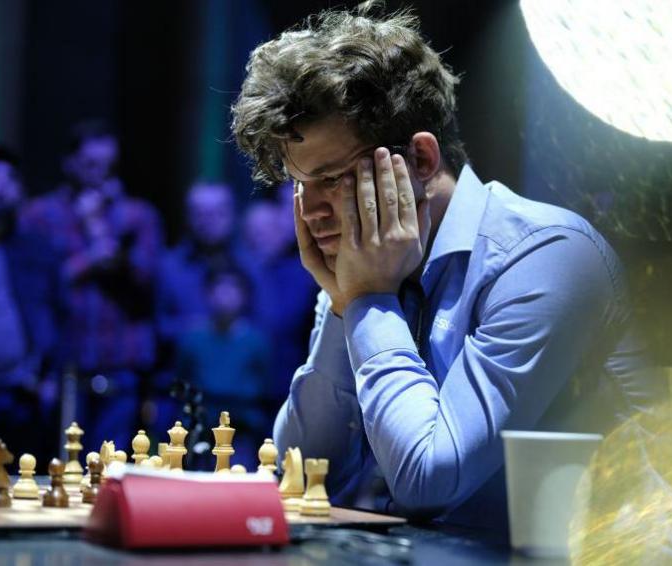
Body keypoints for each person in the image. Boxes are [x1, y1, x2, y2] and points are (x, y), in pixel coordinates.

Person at [231, 6, 647, 531]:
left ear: (421, 162)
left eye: (331, 178)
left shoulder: (547, 255)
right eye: (298, 185)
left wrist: (367, 303)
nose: (310, 213)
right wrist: (342, 308)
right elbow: (299, 481)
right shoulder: (364, 267)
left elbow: (430, 482)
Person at [21, 120, 163, 449]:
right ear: (69, 163)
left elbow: (149, 280)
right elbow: (35, 287)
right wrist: (90, 259)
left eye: (107, 166)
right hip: (63, 367)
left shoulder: (136, 215)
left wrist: (98, 225)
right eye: (90, 164)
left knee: (109, 469)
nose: (100, 173)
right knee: (60, 466)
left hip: (121, 365)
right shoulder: (41, 215)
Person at [0, 147, 62, 457]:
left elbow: (56, 313)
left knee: (19, 484)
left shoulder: (37, 249)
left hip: (22, 391)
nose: (0, 185)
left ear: (21, 192)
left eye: (10, 178)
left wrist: (48, 375)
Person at [175, 265, 271, 470]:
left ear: (245, 295)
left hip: (242, 428)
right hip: (200, 424)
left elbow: (264, 381)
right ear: (207, 293)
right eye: (219, 287)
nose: (225, 295)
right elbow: (181, 377)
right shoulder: (192, 338)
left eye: (233, 288)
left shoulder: (257, 341)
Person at [156, 180, 258, 344]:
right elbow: (159, 326)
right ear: (188, 217)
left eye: (218, 213)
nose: (209, 221)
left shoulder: (252, 265)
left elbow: (267, 325)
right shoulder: (169, 267)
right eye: (200, 213)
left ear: (233, 215)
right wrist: (194, 330)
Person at [242, 199, 319, 402]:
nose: (261, 238)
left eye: (269, 230)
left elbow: (288, 321)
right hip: (245, 381)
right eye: (255, 232)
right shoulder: (238, 273)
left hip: (290, 376)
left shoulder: (303, 274)